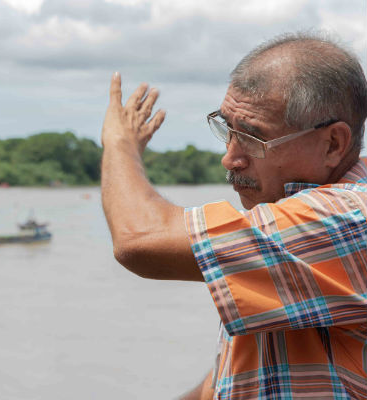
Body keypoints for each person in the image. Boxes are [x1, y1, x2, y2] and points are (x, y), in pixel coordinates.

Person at [100, 32, 367, 399]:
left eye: (254, 138)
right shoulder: (283, 230)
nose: (230, 158)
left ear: (333, 144)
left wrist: (119, 145)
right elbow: (242, 371)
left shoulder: (349, 217)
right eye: (228, 129)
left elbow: (139, 240)